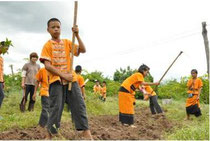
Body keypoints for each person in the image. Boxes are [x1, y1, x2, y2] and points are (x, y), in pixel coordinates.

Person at [39, 18, 92, 139]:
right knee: (55, 108)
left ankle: (85, 131)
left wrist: (77, 35)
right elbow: (47, 65)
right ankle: (50, 134)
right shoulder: (47, 45)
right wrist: (63, 75)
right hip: (56, 82)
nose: (56, 29)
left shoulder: (68, 42)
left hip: (71, 81)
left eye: (58, 27)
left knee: (79, 104)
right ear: (48, 30)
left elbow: (83, 50)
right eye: (53, 27)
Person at [0, 41, 9, 120]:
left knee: (1, 96)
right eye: (5, 49)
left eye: (7, 49)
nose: (6, 51)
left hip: (0, 80)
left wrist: (3, 81)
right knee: (1, 95)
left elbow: (1, 71)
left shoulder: (1, 58)